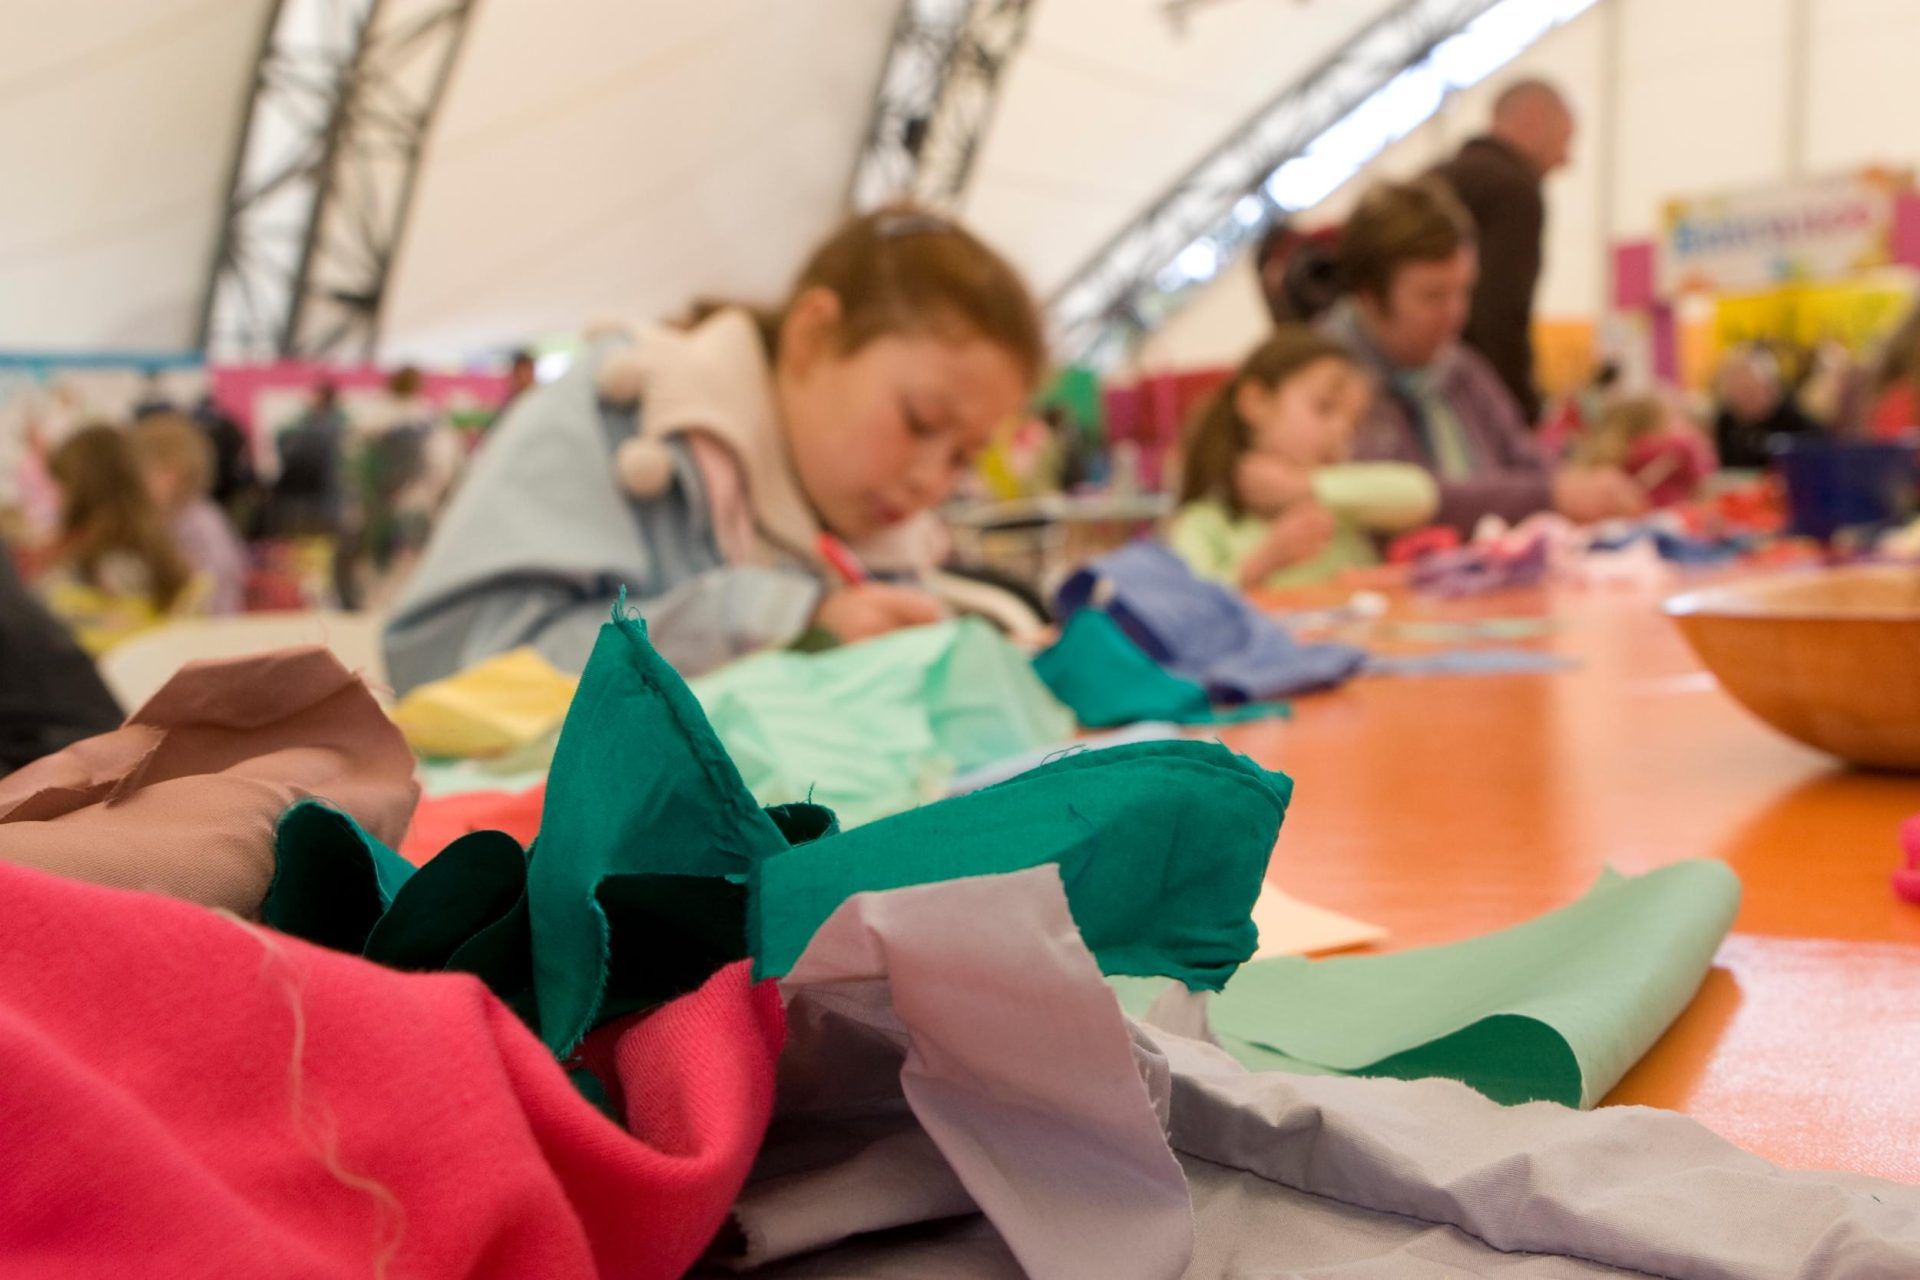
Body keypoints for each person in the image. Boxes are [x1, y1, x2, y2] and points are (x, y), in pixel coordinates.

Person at [381, 205, 1044, 694]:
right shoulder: (623, 415)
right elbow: (444, 664)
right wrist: (773, 620)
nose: (932, 480)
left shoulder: (887, 555)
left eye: (963, 457)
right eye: (921, 423)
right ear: (813, 338)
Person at [1322, 178, 1644, 532]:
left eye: (1464, 290)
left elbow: (1531, 464)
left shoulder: (1462, 368)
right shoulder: (1324, 386)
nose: (1456, 312)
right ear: (1369, 297)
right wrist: (1549, 496)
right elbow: (1402, 501)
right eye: (1433, 296)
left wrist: (1576, 487)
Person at [1169, 327, 1437, 589]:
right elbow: (1188, 604)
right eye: (1324, 408)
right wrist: (1261, 563)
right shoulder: (1207, 520)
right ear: (1256, 401)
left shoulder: (1334, 500)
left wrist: (1304, 486)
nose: (1341, 430)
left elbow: (1420, 495)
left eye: (1354, 423)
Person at [1429, 79, 1575, 423]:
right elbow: (1500, 313)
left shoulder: (1436, 177)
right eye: (1564, 140)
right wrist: (1522, 414)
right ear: (1533, 120)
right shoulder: (1514, 190)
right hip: (1474, 407)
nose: (1566, 159)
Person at [38, 425, 198, 652]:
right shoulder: (174, 562)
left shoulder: (68, 575)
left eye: (59, 488)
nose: (54, 501)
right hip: (163, 680)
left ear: (80, 493)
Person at [130, 413, 248, 614]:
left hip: (206, 630)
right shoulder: (163, 519)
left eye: (143, 473)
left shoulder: (201, 523)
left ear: (174, 474)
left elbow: (213, 589)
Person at [1712, 346, 1819, 468]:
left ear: (1771, 388)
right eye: (1735, 391)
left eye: (1749, 391)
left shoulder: (1800, 427)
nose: (1742, 399)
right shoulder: (1726, 423)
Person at [266, 382, 348, 537]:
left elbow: (287, 448)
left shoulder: (314, 427)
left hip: (311, 502)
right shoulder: (338, 425)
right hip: (326, 501)